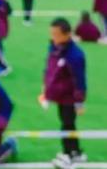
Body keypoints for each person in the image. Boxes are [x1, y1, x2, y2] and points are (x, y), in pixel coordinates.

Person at [40, 18, 87, 169]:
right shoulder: (53, 47)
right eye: (52, 34)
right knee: (67, 123)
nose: (53, 37)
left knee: (67, 124)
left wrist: (79, 102)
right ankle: (76, 152)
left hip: (69, 98)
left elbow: (80, 81)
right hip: (58, 95)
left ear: (67, 35)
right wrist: (45, 88)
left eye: (56, 34)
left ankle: (68, 154)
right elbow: (49, 69)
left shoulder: (75, 55)